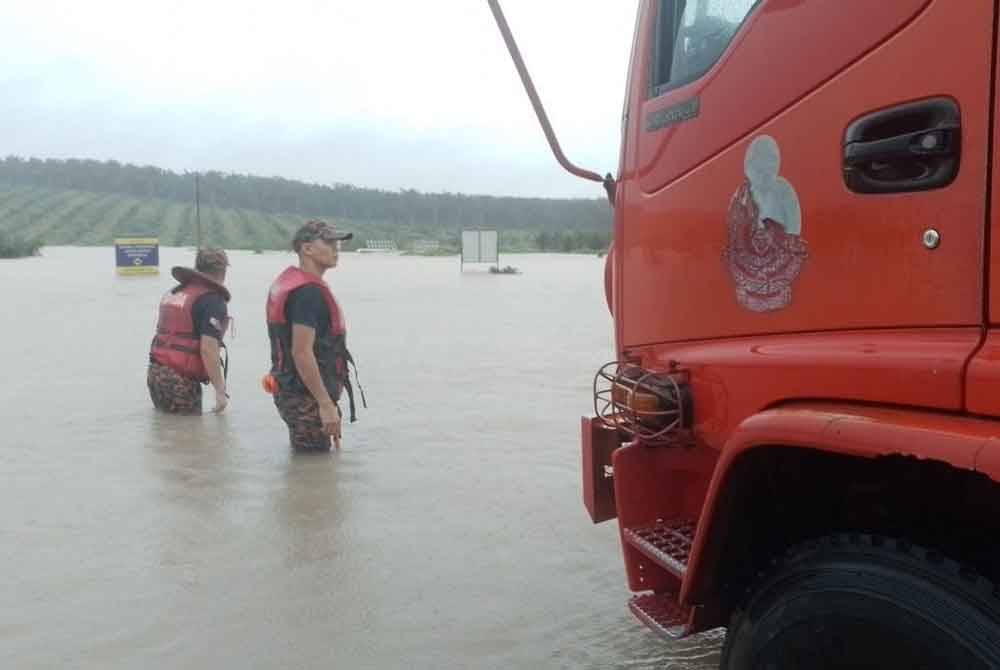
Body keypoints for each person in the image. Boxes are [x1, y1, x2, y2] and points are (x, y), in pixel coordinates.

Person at [265, 220, 364, 451]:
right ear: (307, 248)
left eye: (337, 243)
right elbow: (301, 352)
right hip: (305, 396)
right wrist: (325, 404)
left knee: (312, 464)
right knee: (313, 466)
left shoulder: (297, 286)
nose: (336, 249)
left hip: (293, 390)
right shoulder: (308, 293)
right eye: (329, 243)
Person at [148, 248, 231, 414]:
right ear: (223, 271)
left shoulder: (175, 293)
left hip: (155, 373)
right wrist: (220, 391)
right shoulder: (213, 300)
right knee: (189, 430)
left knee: (167, 426)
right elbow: (208, 348)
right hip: (180, 381)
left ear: (197, 267)